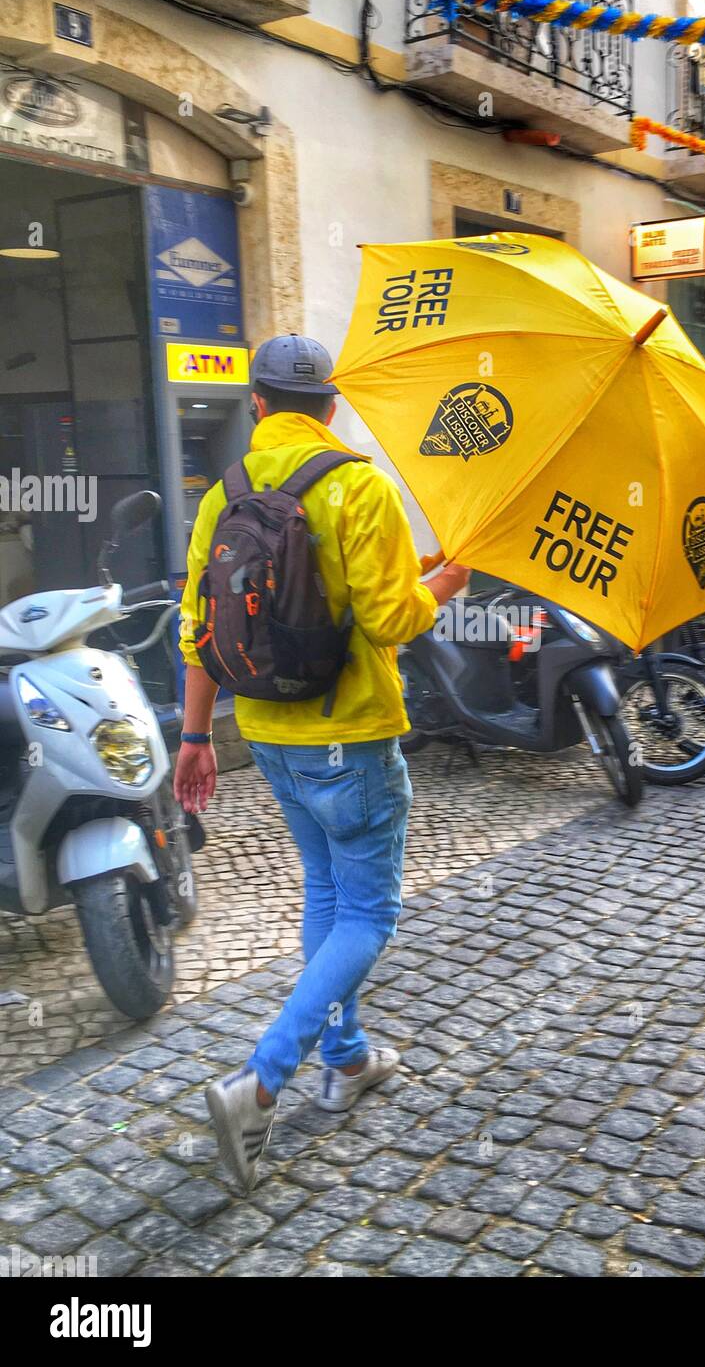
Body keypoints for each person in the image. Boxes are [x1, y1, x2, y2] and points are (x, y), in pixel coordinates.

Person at [174, 332, 469, 1192]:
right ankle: (261, 1079)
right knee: (369, 915)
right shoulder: (359, 484)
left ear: (258, 405)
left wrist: (195, 738)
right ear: (331, 409)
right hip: (351, 737)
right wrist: (449, 583)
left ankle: (345, 1060)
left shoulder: (220, 496)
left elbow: (198, 630)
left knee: (326, 894)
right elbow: (388, 621)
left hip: (268, 734)